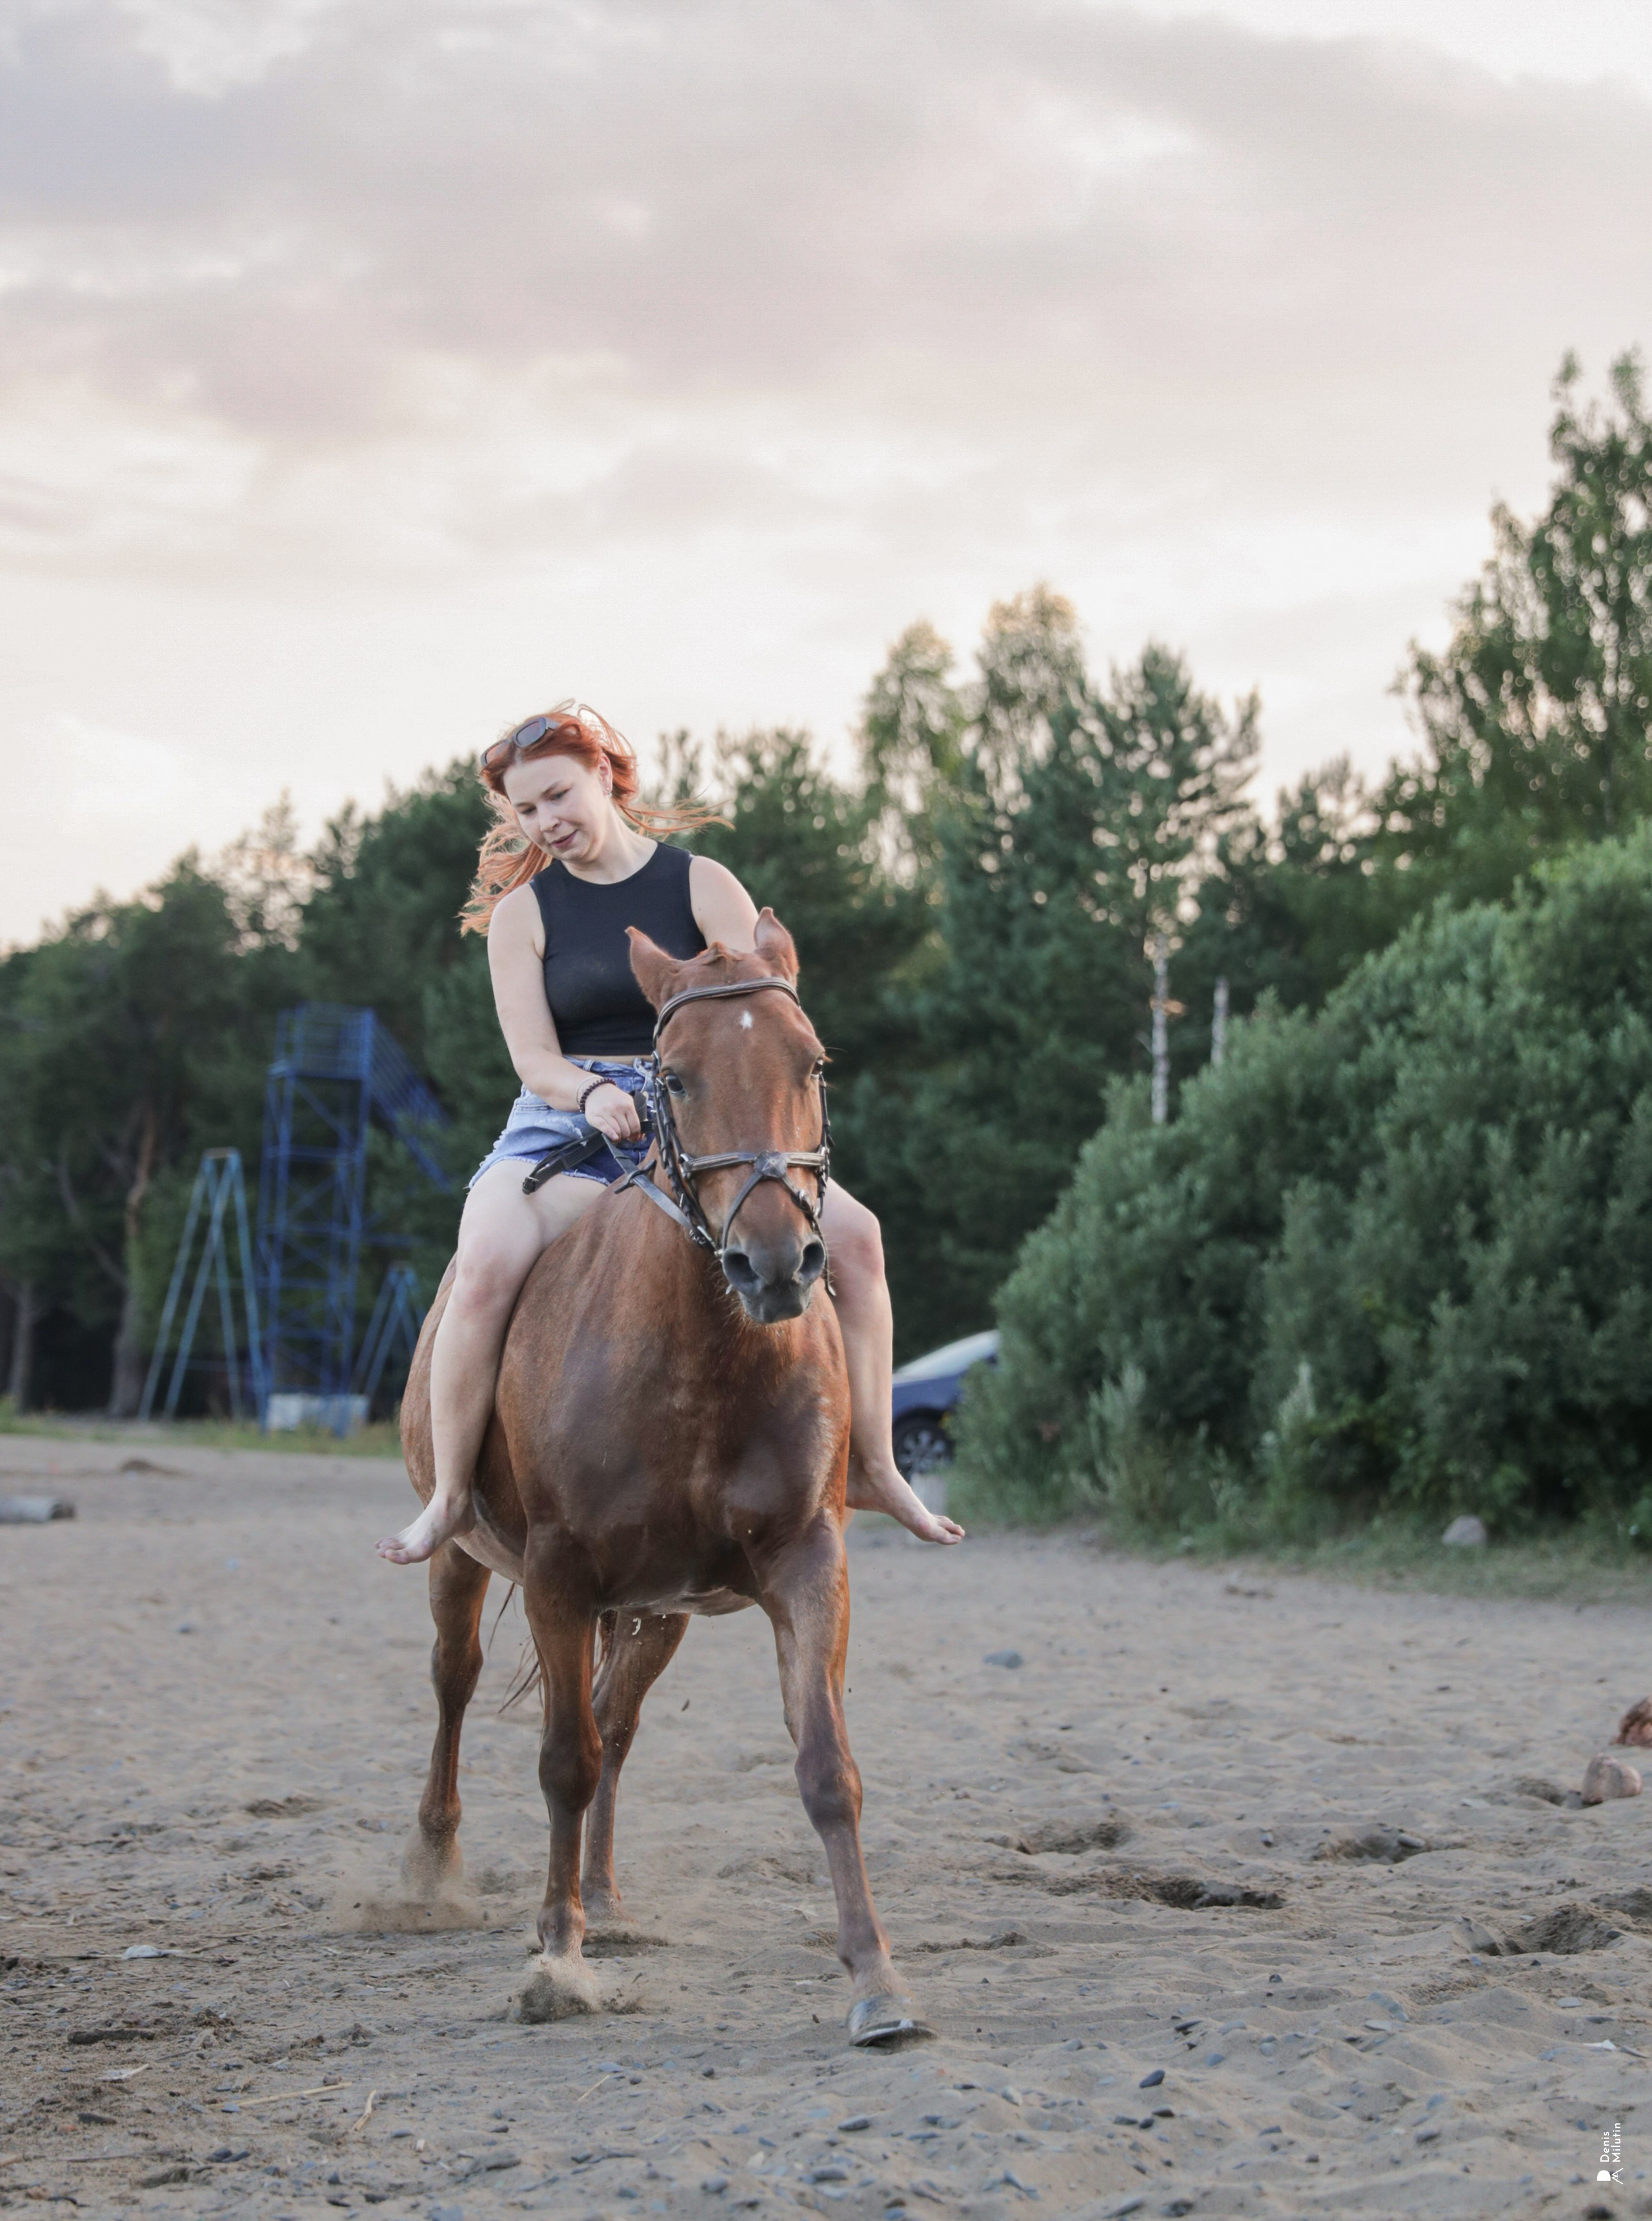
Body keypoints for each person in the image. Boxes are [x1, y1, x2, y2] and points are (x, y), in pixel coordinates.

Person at [378, 704, 965, 1565]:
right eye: (526, 809)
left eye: (557, 795)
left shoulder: (701, 884)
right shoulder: (522, 916)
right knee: (485, 1264)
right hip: (565, 1120)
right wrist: (589, 1094)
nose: (546, 821)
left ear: (603, 775)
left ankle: (872, 1464)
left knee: (861, 1239)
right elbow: (533, 1058)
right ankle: (454, 1494)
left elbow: (761, 1015)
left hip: (704, 1115)